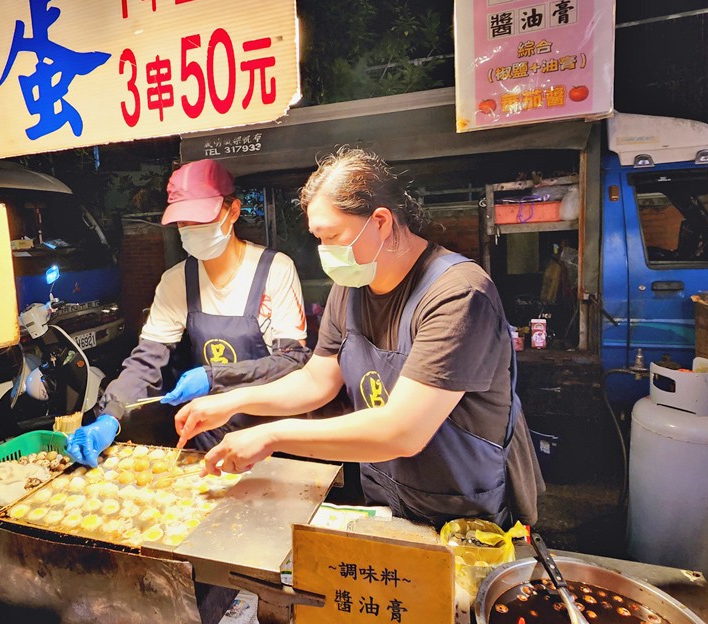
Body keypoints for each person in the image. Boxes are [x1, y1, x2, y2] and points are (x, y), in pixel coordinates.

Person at [175, 147, 544, 528]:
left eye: (332, 236)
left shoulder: (459, 294)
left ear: (381, 221)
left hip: (462, 512)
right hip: (387, 494)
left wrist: (270, 436)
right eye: (318, 238)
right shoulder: (351, 286)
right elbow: (316, 380)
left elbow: (402, 430)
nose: (324, 251)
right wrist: (230, 402)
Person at [67, 159, 309, 466]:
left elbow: (291, 363)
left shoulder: (275, 269)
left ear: (232, 212)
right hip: (208, 438)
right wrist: (111, 414)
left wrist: (213, 377)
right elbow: (146, 361)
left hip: (269, 437)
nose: (192, 231)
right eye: (184, 223)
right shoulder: (176, 281)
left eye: (202, 220)